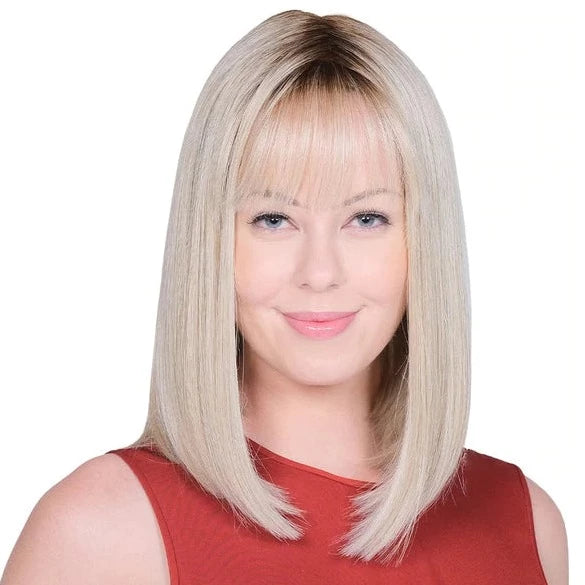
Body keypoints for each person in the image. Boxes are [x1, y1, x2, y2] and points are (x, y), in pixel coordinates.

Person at [1, 9, 568, 585]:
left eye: (366, 218)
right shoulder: (101, 533)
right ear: (211, 244)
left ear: (424, 241)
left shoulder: (527, 521)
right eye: (273, 219)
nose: (319, 273)